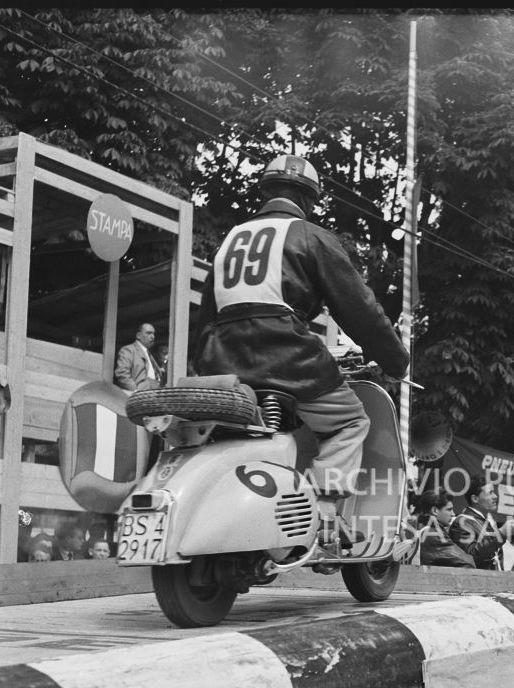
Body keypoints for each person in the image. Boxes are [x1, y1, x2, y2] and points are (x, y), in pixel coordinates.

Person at [193, 154, 409, 547]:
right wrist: (395, 359)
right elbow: (359, 308)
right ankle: (325, 516)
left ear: (265, 191)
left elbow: (206, 314)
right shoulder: (312, 236)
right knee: (349, 422)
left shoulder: (231, 238)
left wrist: (204, 366)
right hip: (287, 354)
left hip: (222, 358)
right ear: (310, 199)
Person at [448, 474, 514, 570]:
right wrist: (501, 534)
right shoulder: (462, 522)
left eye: (494, 492)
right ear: (475, 498)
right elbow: (471, 556)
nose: (495, 496)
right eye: (490, 493)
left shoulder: (488, 521)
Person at [418, 490, 476, 569]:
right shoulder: (434, 535)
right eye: (449, 509)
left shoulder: (427, 530)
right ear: (435, 511)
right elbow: (468, 562)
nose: (453, 514)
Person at [114, 323, 161, 392]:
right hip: (139, 396)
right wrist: (136, 391)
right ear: (138, 335)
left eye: (153, 334)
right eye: (148, 333)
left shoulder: (149, 354)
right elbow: (122, 373)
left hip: (152, 396)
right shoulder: (129, 350)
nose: (152, 337)